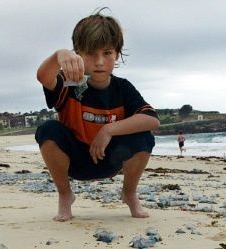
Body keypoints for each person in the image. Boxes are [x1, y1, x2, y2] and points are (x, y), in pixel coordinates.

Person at [35, 10, 160, 221]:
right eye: (91, 54)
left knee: (144, 136)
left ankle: (129, 193)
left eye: (107, 53)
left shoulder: (123, 88)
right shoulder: (69, 83)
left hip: (110, 159)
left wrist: (108, 129)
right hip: (75, 161)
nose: (99, 61)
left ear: (117, 54)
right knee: (47, 129)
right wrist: (59, 55)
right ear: (78, 54)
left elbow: (152, 119)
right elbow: (43, 76)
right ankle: (65, 195)